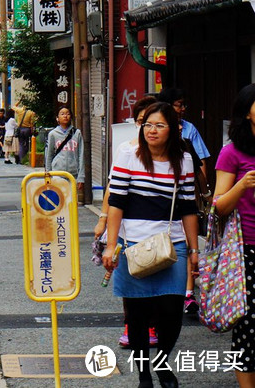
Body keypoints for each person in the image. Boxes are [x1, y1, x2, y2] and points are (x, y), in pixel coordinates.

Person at [103, 102, 198, 388]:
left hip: (173, 243)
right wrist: (110, 245)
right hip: (131, 244)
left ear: (173, 129)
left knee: (172, 311)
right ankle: (145, 374)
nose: (151, 130)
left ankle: (161, 361)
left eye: (159, 125)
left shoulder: (184, 161)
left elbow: (189, 207)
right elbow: (116, 202)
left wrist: (194, 251)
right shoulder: (127, 154)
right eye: (147, 125)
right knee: (138, 314)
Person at [94, 94, 158, 349]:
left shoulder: (175, 152)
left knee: (155, 278)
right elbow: (113, 188)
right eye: (143, 121)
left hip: (159, 231)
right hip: (127, 228)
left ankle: (152, 324)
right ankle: (131, 325)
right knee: (130, 279)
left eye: (153, 121)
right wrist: (103, 219)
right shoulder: (126, 149)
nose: (148, 127)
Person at [211, 83, 255, 386]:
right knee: (249, 327)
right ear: (247, 112)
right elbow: (218, 207)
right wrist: (241, 186)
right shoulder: (232, 153)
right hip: (247, 251)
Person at [158, 87, 211, 315]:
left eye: (182, 105)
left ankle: (188, 294)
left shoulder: (189, 130)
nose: (182, 109)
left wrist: (201, 193)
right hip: (160, 197)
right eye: (178, 104)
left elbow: (201, 163)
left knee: (189, 240)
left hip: (185, 194)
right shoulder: (156, 129)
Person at [44, 107, 84, 186]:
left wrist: (81, 177)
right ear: (57, 118)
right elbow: (49, 155)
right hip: (57, 173)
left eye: (68, 114)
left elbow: (81, 155)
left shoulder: (77, 133)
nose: (65, 116)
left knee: (72, 197)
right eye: (62, 114)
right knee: (59, 197)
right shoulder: (53, 134)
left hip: (73, 175)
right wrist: (48, 174)